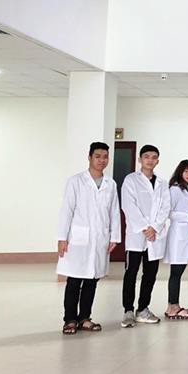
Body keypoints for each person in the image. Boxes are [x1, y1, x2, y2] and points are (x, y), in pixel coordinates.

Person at [57, 142, 121, 335]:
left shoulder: (110, 184)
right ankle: (70, 320)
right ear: (90, 157)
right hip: (79, 238)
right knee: (74, 280)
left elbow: (114, 211)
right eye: (98, 156)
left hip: (100, 238)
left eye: (105, 157)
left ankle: (85, 318)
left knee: (92, 279)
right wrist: (62, 237)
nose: (102, 160)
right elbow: (67, 210)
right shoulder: (76, 181)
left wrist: (114, 236)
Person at [121, 144, 171, 328]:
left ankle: (143, 309)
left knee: (150, 274)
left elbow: (166, 207)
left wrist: (155, 227)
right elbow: (128, 205)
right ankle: (128, 310)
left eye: (154, 157)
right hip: (137, 235)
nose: (150, 160)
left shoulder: (162, 183)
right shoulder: (131, 180)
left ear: (158, 161)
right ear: (140, 159)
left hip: (154, 236)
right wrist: (145, 227)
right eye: (147, 156)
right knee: (131, 273)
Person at [163, 160, 188, 320]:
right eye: (186, 171)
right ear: (180, 172)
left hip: (186, 236)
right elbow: (169, 212)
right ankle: (173, 307)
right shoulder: (175, 189)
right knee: (176, 273)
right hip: (178, 237)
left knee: (178, 272)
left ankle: (172, 306)